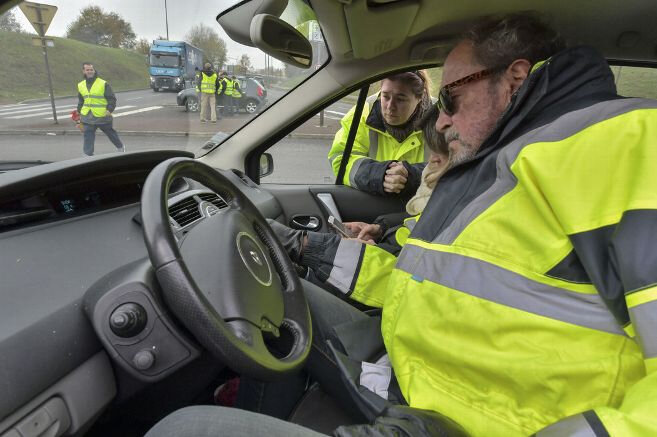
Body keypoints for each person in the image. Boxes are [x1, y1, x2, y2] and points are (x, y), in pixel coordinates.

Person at [147, 12, 657, 437]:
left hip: (463, 419)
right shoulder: (495, 165)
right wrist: (305, 247)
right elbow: (420, 280)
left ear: (516, 81)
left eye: (450, 100)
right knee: (282, 307)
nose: (440, 121)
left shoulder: (628, 143)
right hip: (405, 375)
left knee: (183, 429)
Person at [328, 71, 433, 198]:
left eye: (400, 99)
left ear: (420, 97)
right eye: (385, 96)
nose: (390, 106)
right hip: (373, 203)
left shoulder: (442, 118)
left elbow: (453, 167)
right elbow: (340, 158)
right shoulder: (362, 113)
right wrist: (379, 175)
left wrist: (413, 177)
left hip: (424, 207)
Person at [76, 63, 124, 156]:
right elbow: (81, 100)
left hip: (102, 115)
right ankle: (88, 155)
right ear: (84, 71)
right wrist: (78, 112)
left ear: (94, 70)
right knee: (88, 135)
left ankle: (120, 147)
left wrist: (109, 110)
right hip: (87, 116)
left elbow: (111, 98)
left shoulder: (103, 83)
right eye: (87, 70)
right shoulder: (81, 85)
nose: (89, 71)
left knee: (110, 133)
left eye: (91, 69)